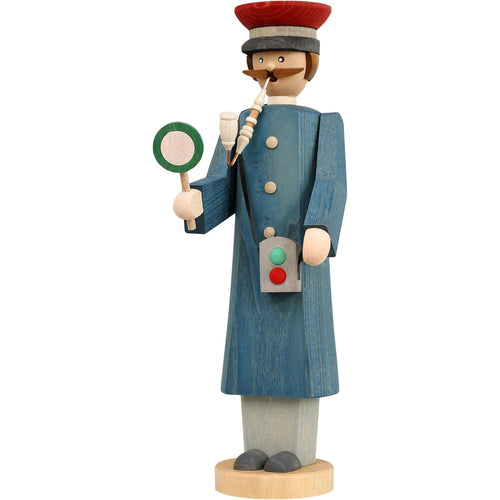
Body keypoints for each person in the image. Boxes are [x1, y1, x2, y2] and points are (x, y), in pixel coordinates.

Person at [173, 1, 347, 473]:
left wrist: (321, 227)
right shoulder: (237, 129)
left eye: (282, 56)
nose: (271, 66)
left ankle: (296, 447)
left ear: (309, 62)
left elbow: (331, 180)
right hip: (251, 260)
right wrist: (196, 204)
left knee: (297, 350)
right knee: (252, 348)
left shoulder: (324, 124)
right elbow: (222, 183)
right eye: (262, 57)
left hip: (302, 259)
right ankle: (257, 443)